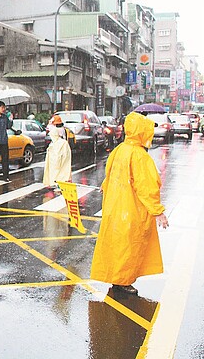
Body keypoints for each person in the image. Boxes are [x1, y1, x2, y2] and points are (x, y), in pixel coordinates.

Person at [90, 112, 169, 295]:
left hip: (115, 207)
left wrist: (106, 186)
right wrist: (158, 211)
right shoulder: (140, 156)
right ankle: (123, 281)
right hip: (131, 209)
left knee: (117, 244)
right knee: (129, 245)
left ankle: (118, 278)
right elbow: (147, 187)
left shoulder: (120, 149)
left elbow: (110, 174)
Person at [42, 123, 72, 189]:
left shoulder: (60, 143)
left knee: (60, 172)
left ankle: (58, 183)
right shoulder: (57, 143)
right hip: (59, 162)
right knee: (61, 172)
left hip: (59, 161)